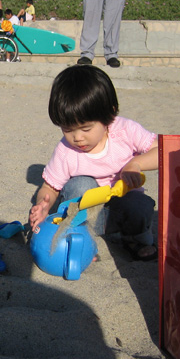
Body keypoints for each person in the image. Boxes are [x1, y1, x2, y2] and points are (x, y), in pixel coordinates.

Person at [29, 65, 158, 261]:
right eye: (67, 129)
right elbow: (50, 187)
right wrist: (43, 204)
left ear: (110, 114)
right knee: (80, 185)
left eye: (86, 129)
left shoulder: (125, 131)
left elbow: (163, 151)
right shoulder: (66, 151)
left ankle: (135, 240)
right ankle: (85, 240)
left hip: (124, 211)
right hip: (89, 216)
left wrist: (136, 164)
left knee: (139, 204)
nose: (77, 138)